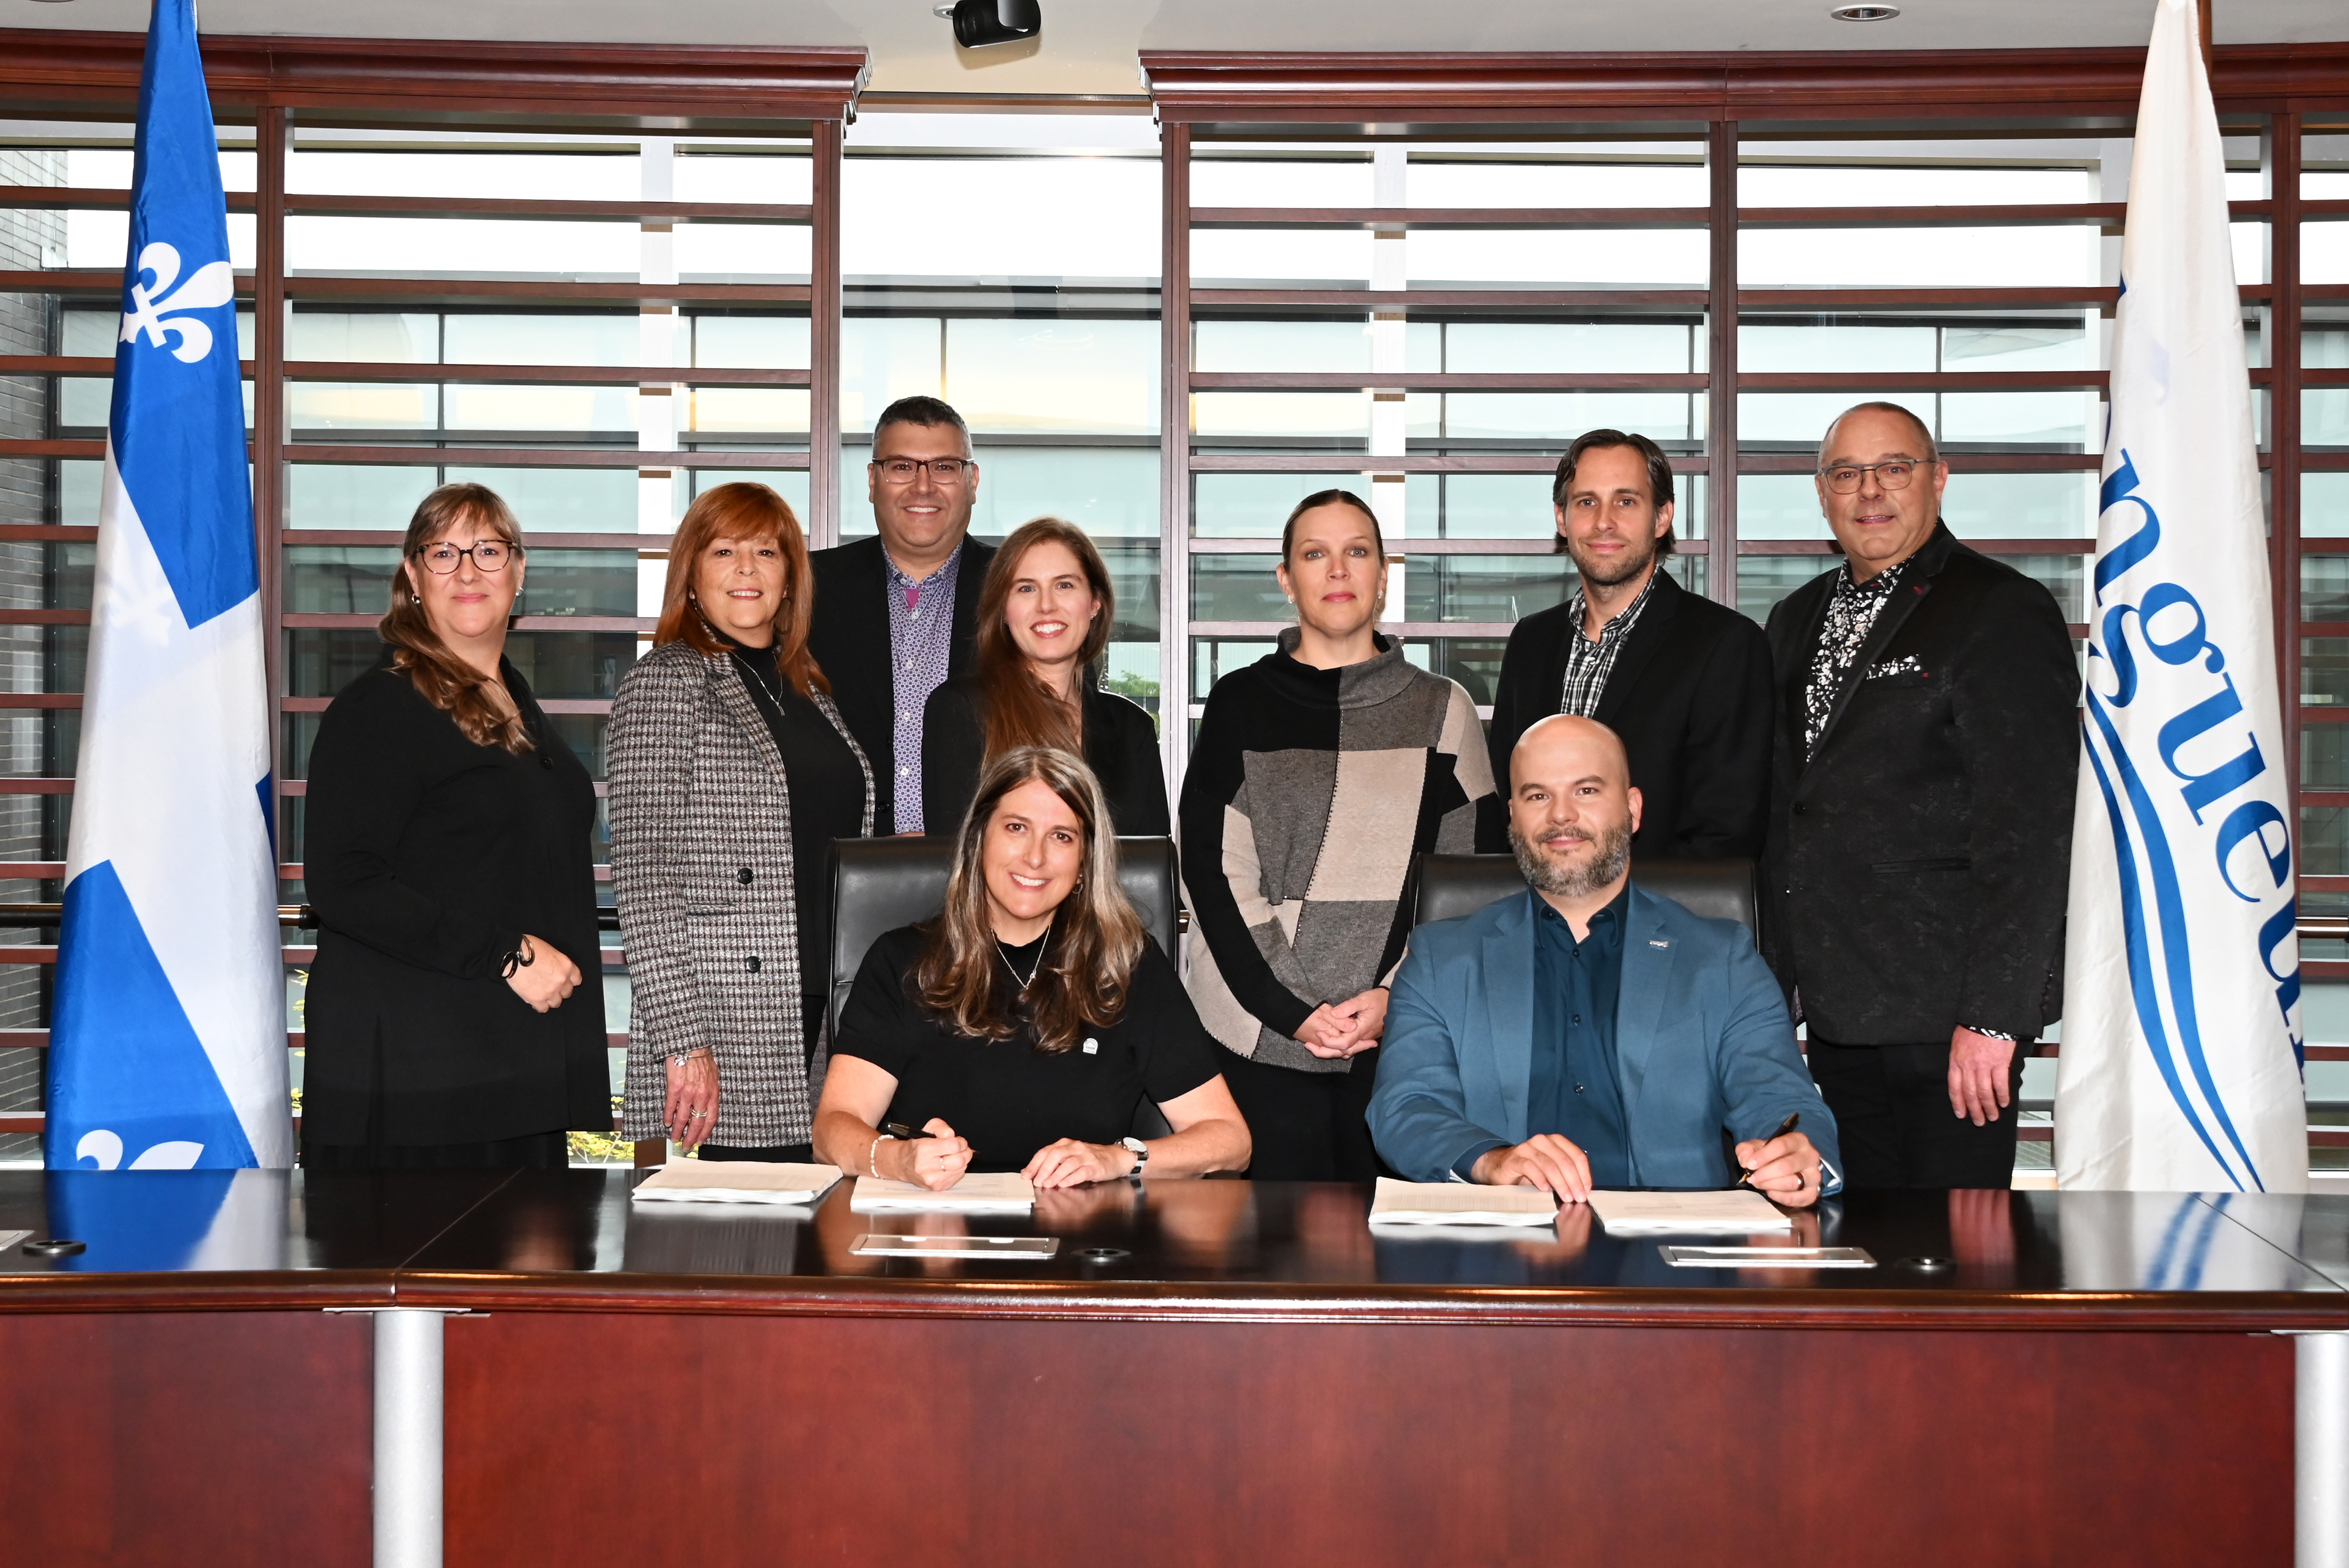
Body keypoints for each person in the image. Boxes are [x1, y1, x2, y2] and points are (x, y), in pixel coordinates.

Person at [1761, 401, 2077, 1189]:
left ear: (1938, 479)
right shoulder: (1794, 619)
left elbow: (2032, 829)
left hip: (1950, 1018)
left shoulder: (2000, 607)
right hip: (1832, 1009)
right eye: (1846, 473)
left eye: (1894, 468)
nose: (1870, 490)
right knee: (1856, 1236)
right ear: (1822, 493)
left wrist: (1996, 1016)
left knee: (1957, 1248)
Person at [1370, 715, 1841, 1203]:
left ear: (1633, 810)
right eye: (1538, 795)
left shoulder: (1722, 958)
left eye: (1587, 790)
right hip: (1502, 1236)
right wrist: (1491, 1161)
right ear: (1513, 817)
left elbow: (1780, 1098)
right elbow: (1405, 1108)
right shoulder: (1440, 958)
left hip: (1671, 1238)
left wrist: (1795, 1156)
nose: (1561, 815)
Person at [1180, 489, 1506, 1182]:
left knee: (1391, 1243)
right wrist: (1294, 1011)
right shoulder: (1238, 703)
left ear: (1384, 574)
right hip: (1254, 1038)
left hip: (1402, 1042)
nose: (1337, 570)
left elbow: (1466, 885)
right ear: (1285, 577)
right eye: (1314, 554)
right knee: (1260, 1245)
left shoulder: (1443, 709)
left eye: (1357, 551)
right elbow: (1212, 874)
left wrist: (1395, 998)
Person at [300, 483, 607, 1167]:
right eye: (443, 553)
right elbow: (344, 883)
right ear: (413, 577)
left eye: (488, 551)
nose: (468, 571)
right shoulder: (380, 707)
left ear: (519, 572)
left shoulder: (515, 702)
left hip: (504, 1064)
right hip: (419, 1085)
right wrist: (506, 953)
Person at [816, 747, 1250, 1187]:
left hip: (1085, 1224)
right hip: (935, 1223)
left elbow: (1230, 1140)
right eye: (1016, 828)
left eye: (1061, 836)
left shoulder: (1127, 964)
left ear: (1085, 862)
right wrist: (900, 1161)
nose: (1035, 857)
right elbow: (832, 1130)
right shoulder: (902, 961)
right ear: (979, 839)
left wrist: (1117, 1159)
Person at [609, 482, 873, 1163]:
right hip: (731, 1016)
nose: (747, 568)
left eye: (767, 551)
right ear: (692, 573)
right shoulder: (667, 680)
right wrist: (682, 1039)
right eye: (724, 550)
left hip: (829, 1000)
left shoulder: (808, 688)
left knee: (828, 1212)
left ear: (790, 577)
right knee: (751, 1216)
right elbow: (643, 873)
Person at [1486, 429, 1775, 859]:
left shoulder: (1726, 645)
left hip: (1660, 903)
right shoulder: (1531, 642)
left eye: (1626, 501)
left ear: (1662, 517)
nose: (1604, 521)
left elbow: (1725, 832)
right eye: (1587, 502)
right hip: (1533, 900)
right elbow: (1505, 803)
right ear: (1562, 519)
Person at [806, 396, 998, 835]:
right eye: (902, 467)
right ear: (873, 481)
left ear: (972, 481)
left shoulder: (1018, 590)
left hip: (982, 862)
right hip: (840, 863)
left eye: (945, 467)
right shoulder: (807, 589)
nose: (923, 486)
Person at [922, 516, 1168, 837]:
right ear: (1004, 610)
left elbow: (1151, 861)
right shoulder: (962, 710)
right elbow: (956, 852)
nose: (1046, 606)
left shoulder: (1132, 729)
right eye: (1026, 588)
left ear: (1095, 602)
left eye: (1064, 585)